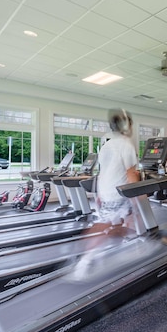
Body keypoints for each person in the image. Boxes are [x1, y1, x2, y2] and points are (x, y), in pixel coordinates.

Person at [69, 108, 141, 281]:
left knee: (116, 220)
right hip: (118, 192)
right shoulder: (126, 145)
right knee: (128, 218)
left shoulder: (107, 145)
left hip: (105, 191)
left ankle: (117, 248)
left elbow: (103, 171)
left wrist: (100, 193)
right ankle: (86, 258)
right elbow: (131, 174)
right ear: (127, 126)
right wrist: (139, 196)